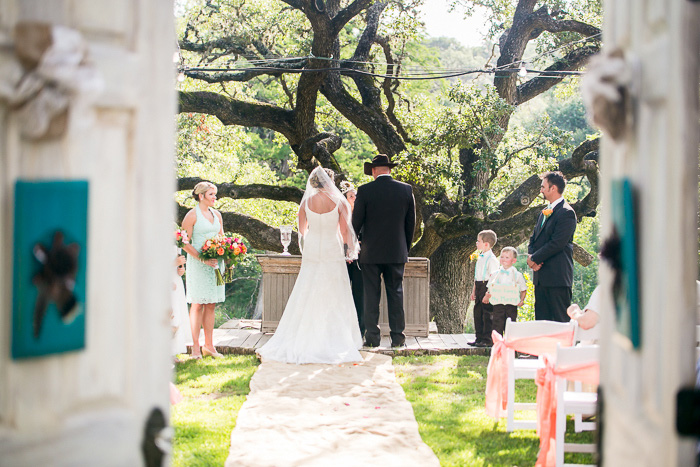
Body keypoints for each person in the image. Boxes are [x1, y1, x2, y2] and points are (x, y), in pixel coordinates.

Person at [257, 167, 363, 364]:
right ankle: (334, 337)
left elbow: (302, 230)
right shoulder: (340, 202)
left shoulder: (306, 201)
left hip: (314, 247)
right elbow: (345, 231)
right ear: (330, 181)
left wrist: (312, 238)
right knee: (334, 290)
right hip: (332, 245)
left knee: (308, 286)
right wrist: (350, 250)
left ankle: (303, 334)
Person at [352, 154, 416, 348]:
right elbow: (410, 223)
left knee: (371, 295)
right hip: (397, 251)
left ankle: (372, 338)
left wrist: (356, 244)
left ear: (373, 171)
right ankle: (398, 337)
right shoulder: (406, 190)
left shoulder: (364, 191)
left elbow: (356, 223)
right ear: (389, 169)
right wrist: (405, 246)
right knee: (396, 293)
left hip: (370, 253)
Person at [181, 181, 225, 359]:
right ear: (201, 196)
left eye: (215, 194)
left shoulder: (217, 214)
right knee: (197, 304)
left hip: (215, 264)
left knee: (211, 304)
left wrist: (228, 256)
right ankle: (195, 347)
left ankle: (209, 346)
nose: (215, 198)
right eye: (211, 195)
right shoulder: (191, 216)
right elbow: (183, 243)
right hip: (198, 264)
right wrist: (202, 258)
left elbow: (222, 237)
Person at [527, 171, 577, 322]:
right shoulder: (543, 213)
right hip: (541, 277)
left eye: (543, 187)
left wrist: (535, 258)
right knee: (542, 322)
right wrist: (530, 257)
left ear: (553, 188)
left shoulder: (566, 213)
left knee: (560, 322)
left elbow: (557, 243)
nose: (541, 190)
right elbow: (534, 238)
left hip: (557, 277)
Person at [484, 247, 527, 337]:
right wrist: (487, 296)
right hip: (498, 304)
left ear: (513, 261)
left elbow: (523, 289)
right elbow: (490, 288)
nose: (503, 259)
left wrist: (521, 300)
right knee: (496, 326)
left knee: (511, 326)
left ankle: (510, 348)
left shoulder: (517, 275)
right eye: (502, 257)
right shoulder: (495, 274)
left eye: (507, 257)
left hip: (511, 305)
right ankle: (497, 347)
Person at [468, 230, 500, 347]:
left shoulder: (492, 259)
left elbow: (493, 278)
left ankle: (487, 339)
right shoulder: (480, 257)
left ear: (486, 244)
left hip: (487, 287)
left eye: (478, 241)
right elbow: (477, 275)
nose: (476, 243)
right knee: (478, 312)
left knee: (487, 314)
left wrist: (488, 293)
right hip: (479, 285)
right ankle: (479, 337)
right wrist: (474, 291)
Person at [341, 180, 364, 337]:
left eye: (356, 195)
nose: (355, 197)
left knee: (359, 294)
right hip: (341, 260)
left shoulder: (363, 215)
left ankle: (360, 330)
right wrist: (346, 250)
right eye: (351, 196)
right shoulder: (340, 216)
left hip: (360, 260)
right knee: (342, 294)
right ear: (345, 199)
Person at [171, 251, 191, 358]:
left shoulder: (177, 237)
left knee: (175, 315)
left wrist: (180, 269)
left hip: (175, 279)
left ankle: (172, 353)